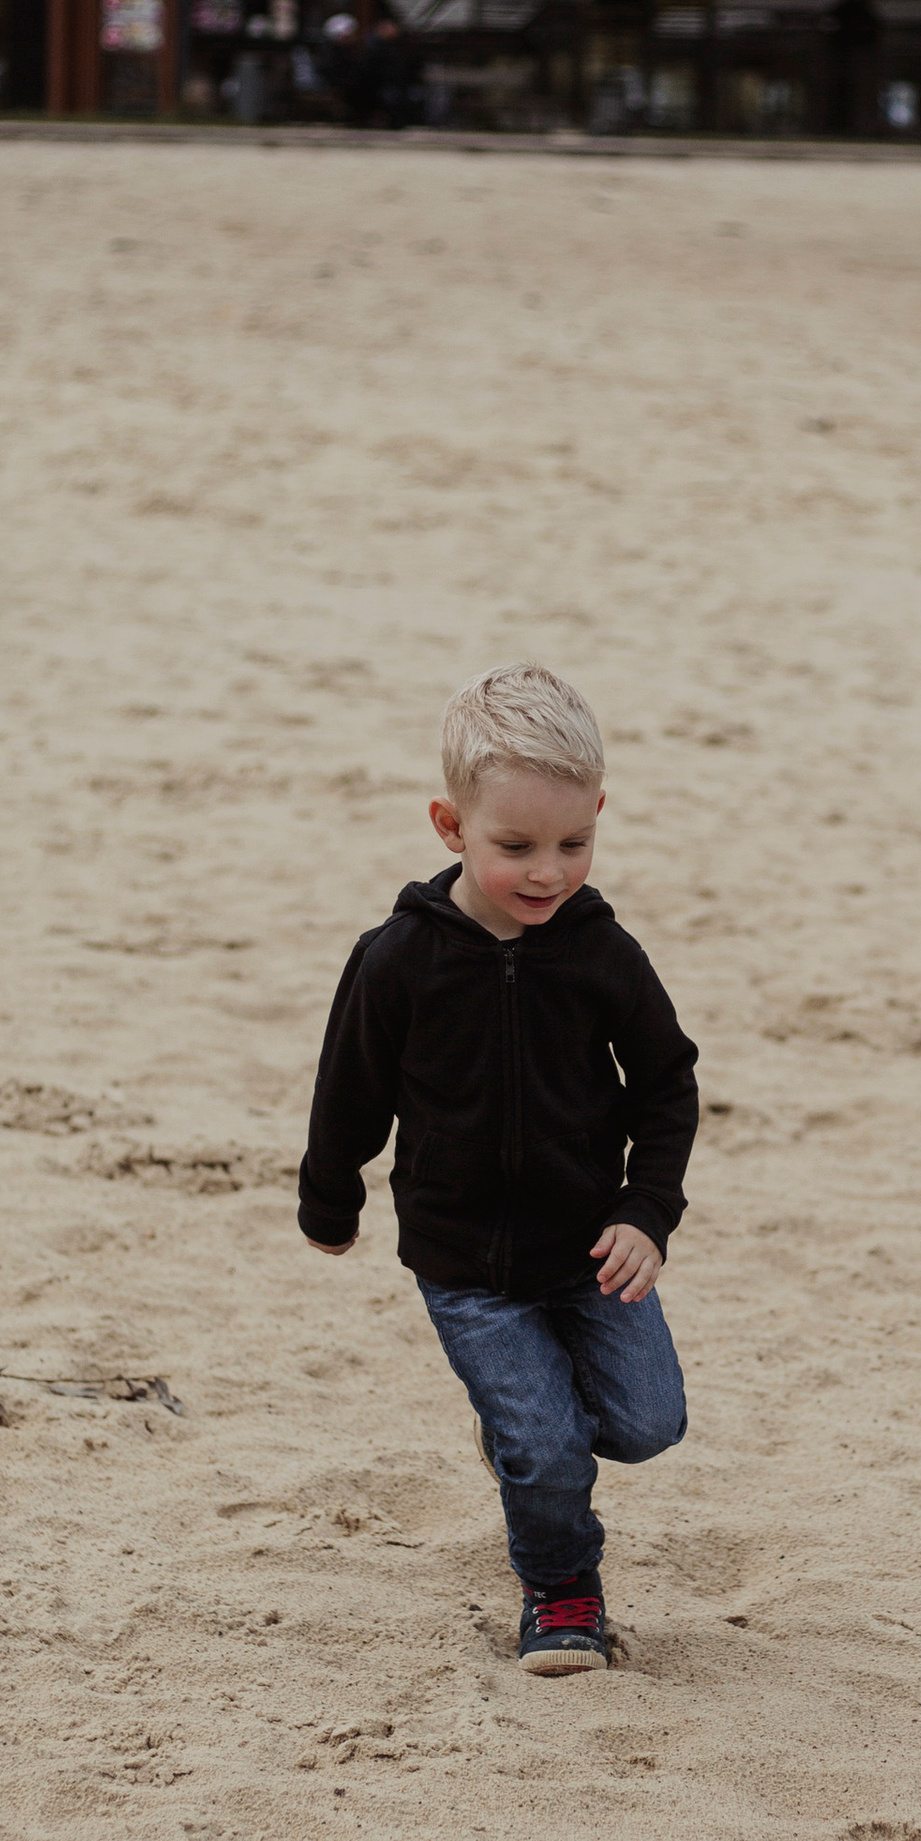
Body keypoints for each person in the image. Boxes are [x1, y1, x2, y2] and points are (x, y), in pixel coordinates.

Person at [297, 663, 697, 1677]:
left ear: (598, 814)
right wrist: (329, 1198)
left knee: (648, 1425)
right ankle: (562, 1594)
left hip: (588, 1251)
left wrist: (646, 1212)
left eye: (575, 843)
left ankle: (522, 1441)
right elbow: (349, 1087)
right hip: (464, 1263)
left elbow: (665, 1084)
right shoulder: (398, 959)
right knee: (549, 1453)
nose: (547, 873)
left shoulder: (602, 955)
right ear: (449, 826)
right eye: (514, 846)